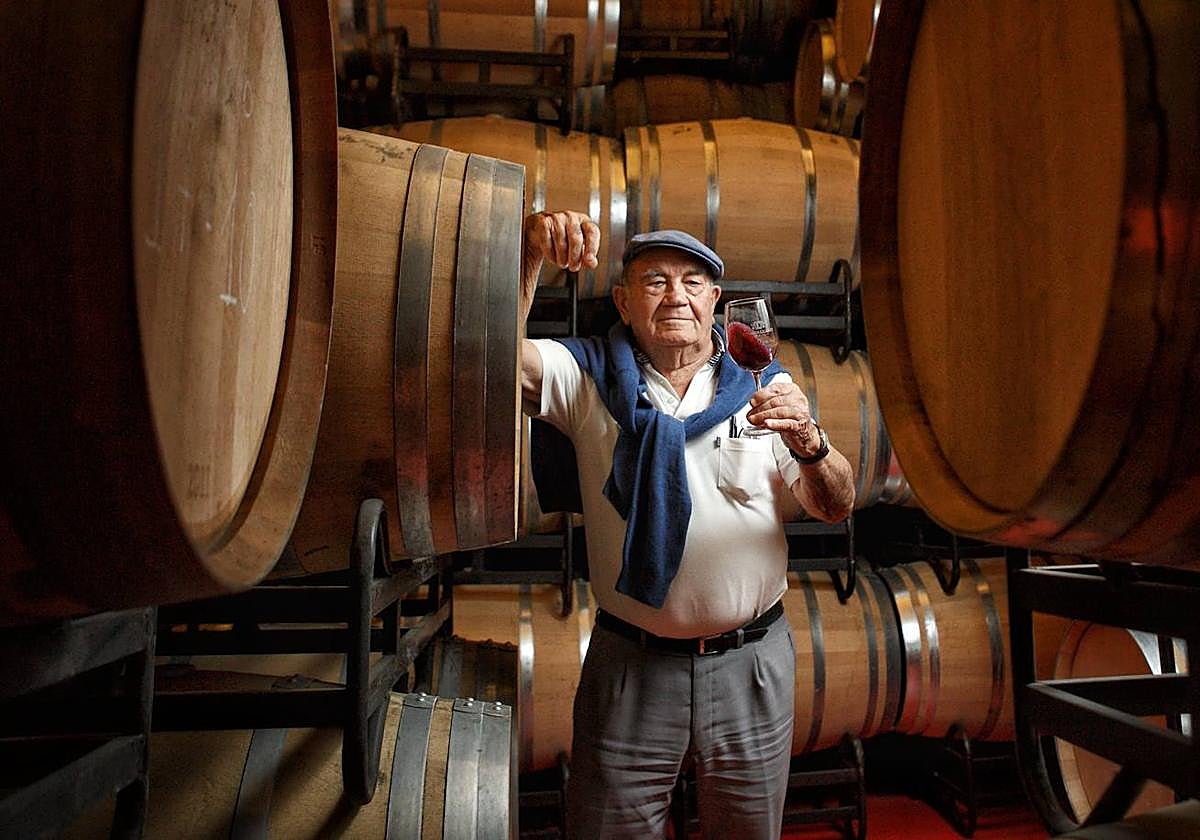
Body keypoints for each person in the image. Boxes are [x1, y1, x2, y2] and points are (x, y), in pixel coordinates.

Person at [519, 210, 856, 839]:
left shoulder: (762, 383)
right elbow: (492, 358)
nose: (676, 295)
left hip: (751, 663)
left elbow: (835, 505)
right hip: (632, 665)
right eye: (655, 281)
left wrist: (811, 443)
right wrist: (527, 255)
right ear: (624, 302)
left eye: (693, 282)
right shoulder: (586, 376)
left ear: (716, 302)